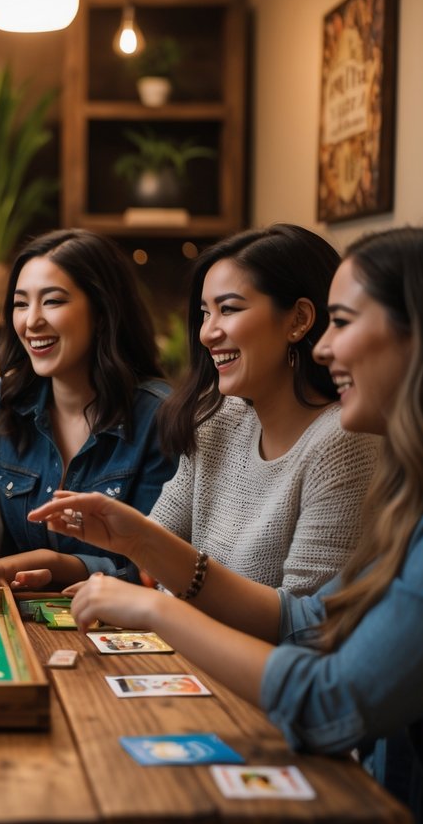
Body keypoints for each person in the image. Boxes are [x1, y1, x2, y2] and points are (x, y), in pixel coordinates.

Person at [32, 220, 423, 822]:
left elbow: (330, 698)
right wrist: (140, 538)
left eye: (343, 322)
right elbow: (312, 618)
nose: (325, 345)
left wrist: (158, 608)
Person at [0, 229, 175, 588]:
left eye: (52, 301)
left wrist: (51, 563)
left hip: (123, 630)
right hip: (27, 621)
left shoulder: (158, 416)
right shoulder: (4, 401)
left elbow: (161, 566)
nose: (31, 321)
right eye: (21, 304)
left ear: (102, 311)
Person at [147, 224, 380, 594]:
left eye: (228, 309)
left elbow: (301, 628)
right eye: (205, 313)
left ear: (299, 320)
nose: (207, 332)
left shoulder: (342, 442)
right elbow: (150, 553)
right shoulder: (219, 417)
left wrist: (161, 601)